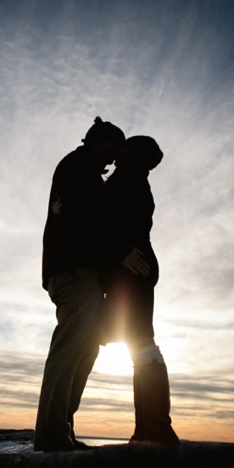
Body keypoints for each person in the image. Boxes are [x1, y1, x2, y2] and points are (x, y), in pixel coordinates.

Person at [34, 116, 128, 452]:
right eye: (116, 148)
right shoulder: (79, 167)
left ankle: (62, 430)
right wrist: (120, 253)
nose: (116, 157)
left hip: (78, 272)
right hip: (74, 272)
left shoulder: (82, 169)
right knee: (71, 347)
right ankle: (51, 435)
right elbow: (89, 221)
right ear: (101, 141)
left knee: (84, 348)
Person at [100, 135, 180, 446]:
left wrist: (120, 251)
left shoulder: (128, 178)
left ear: (131, 153)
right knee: (138, 345)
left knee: (143, 343)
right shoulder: (136, 178)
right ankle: (146, 429)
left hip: (132, 273)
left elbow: (112, 221)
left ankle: (157, 428)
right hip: (134, 271)